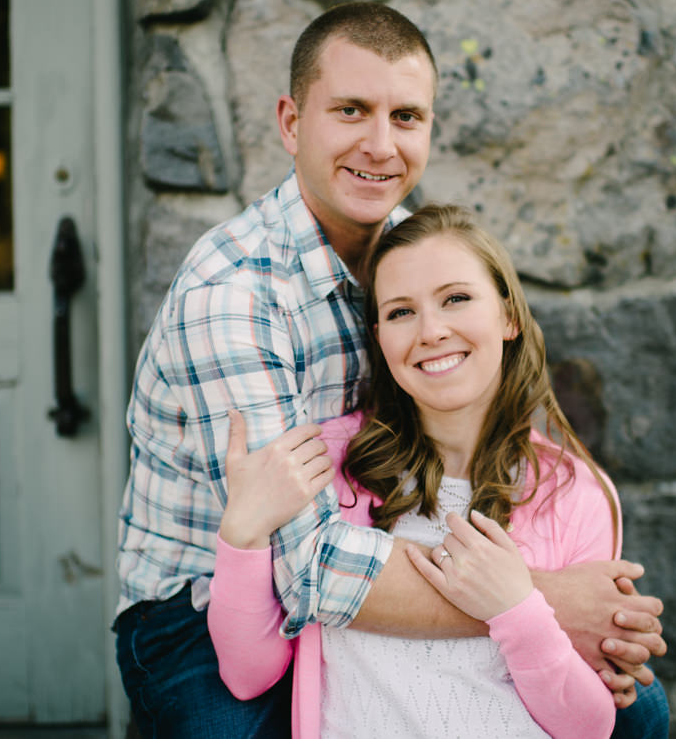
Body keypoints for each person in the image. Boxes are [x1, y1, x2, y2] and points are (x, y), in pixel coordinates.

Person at [114, 1, 669, 739]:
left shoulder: (416, 250)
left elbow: (477, 402)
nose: (381, 146)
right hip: (208, 597)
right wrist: (540, 601)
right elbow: (303, 567)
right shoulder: (233, 295)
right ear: (291, 122)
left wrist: (558, 604)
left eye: (406, 116)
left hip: (387, 537)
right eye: (350, 110)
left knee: (637, 714)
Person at [210, 203, 633, 738]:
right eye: (401, 312)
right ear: (380, 337)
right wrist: (242, 532)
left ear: (508, 316)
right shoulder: (328, 463)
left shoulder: (574, 493)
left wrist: (517, 607)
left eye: (456, 299)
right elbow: (248, 674)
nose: (431, 331)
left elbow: (590, 725)